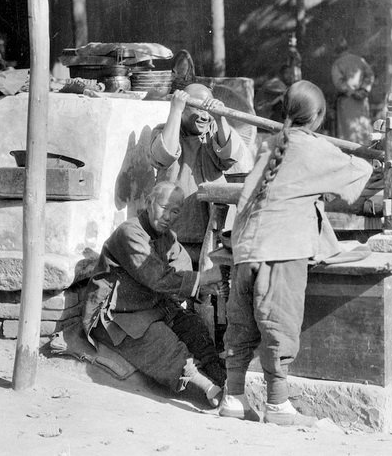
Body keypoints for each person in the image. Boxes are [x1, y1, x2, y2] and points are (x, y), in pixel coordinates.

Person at [218, 80, 373, 425]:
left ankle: (233, 398)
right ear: (317, 118)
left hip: (245, 247)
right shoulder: (314, 148)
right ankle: (277, 406)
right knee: (279, 324)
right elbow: (361, 173)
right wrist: (376, 151)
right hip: (281, 249)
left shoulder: (270, 144)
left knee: (241, 325)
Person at [82, 182, 228, 406]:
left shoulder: (167, 237)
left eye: (175, 211)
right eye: (163, 207)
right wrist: (206, 278)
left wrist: (202, 286)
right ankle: (206, 388)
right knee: (163, 341)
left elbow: (182, 268)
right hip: (116, 314)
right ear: (149, 203)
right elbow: (157, 278)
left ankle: (220, 377)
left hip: (151, 306)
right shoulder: (129, 233)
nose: (168, 216)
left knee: (193, 326)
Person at [149, 83, 249, 264]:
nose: (204, 116)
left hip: (213, 230)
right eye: (198, 109)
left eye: (208, 110)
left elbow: (230, 156)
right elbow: (164, 155)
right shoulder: (165, 132)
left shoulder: (214, 133)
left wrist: (220, 119)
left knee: (212, 282)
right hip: (176, 230)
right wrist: (176, 111)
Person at [331, 41, 375, 145]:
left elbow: (338, 82)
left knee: (347, 132)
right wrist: (364, 90)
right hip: (361, 99)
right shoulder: (360, 60)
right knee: (362, 131)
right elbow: (370, 75)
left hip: (347, 100)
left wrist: (352, 92)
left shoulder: (338, 63)